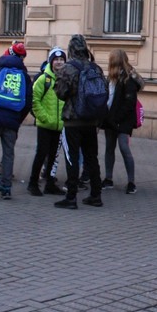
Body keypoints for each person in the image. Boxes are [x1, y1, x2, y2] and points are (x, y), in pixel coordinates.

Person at [53, 35, 106, 209]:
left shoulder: (68, 68)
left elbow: (61, 93)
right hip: (91, 120)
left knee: (72, 159)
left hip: (73, 120)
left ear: (71, 49)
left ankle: (71, 197)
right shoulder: (95, 68)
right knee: (92, 158)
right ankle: (96, 195)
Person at [0, 42, 32, 201]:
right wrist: (18, 119)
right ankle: (7, 188)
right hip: (12, 120)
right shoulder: (24, 75)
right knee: (8, 152)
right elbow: (28, 102)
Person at [102, 49, 144, 195]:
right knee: (109, 148)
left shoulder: (128, 79)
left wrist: (117, 119)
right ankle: (108, 178)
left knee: (124, 147)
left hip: (123, 121)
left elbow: (129, 103)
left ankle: (131, 182)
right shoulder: (110, 78)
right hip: (110, 119)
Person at [28, 47, 66, 197]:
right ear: (51, 62)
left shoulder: (65, 80)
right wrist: (43, 117)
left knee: (53, 156)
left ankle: (50, 184)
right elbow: (34, 100)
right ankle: (33, 183)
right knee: (41, 154)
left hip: (59, 125)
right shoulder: (44, 80)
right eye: (56, 60)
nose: (59, 62)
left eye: (61, 59)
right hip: (45, 124)